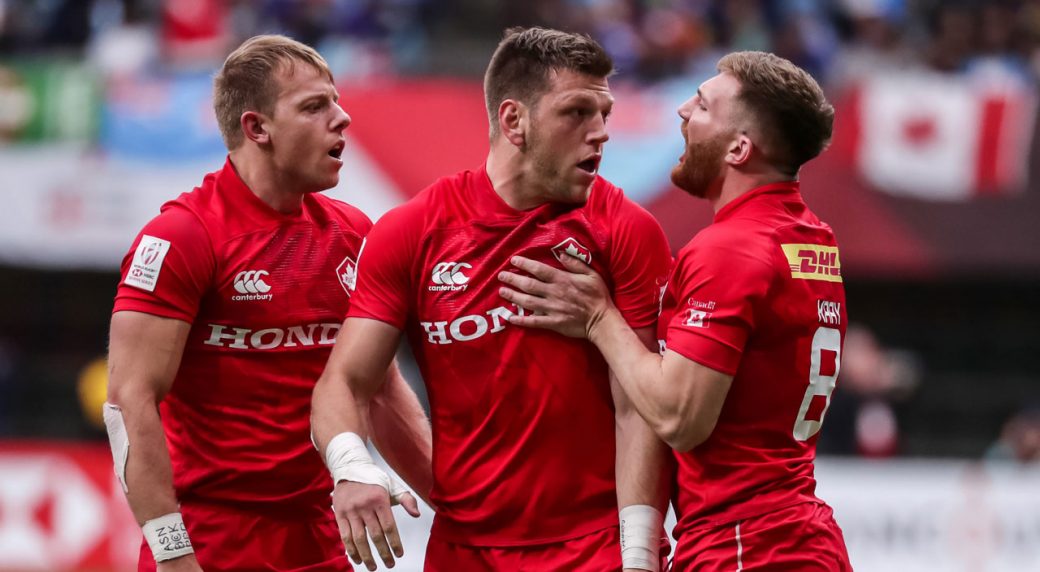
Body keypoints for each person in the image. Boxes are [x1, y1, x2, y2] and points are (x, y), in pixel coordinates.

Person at [310, 27, 674, 572]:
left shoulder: (625, 229)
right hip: (464, 553)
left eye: (605, 114)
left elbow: (639, 407)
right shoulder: (413, 231)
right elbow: (344, 382)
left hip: (594, 549)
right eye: (577, 112)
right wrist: (353, 467)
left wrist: (640, 552)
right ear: (513, 121)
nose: (599, 133)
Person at [499, 51, 853, 570]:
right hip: (800, 537)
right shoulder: (811, 240)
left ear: (739, 147)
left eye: (704, 106)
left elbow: (680, 417)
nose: (683, 111)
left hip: (747, 544)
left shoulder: (729, 249)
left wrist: (599, 318)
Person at [104, 34, 431, 572]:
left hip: (323, 537)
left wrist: (466, 515)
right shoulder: (183, 237)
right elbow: (128, 402)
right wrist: (171, 553)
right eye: (314, 106)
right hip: (209, 542)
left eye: (337, 100)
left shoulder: (353, 234)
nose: (342, 118)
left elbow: (381, 391)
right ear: (257, 128)